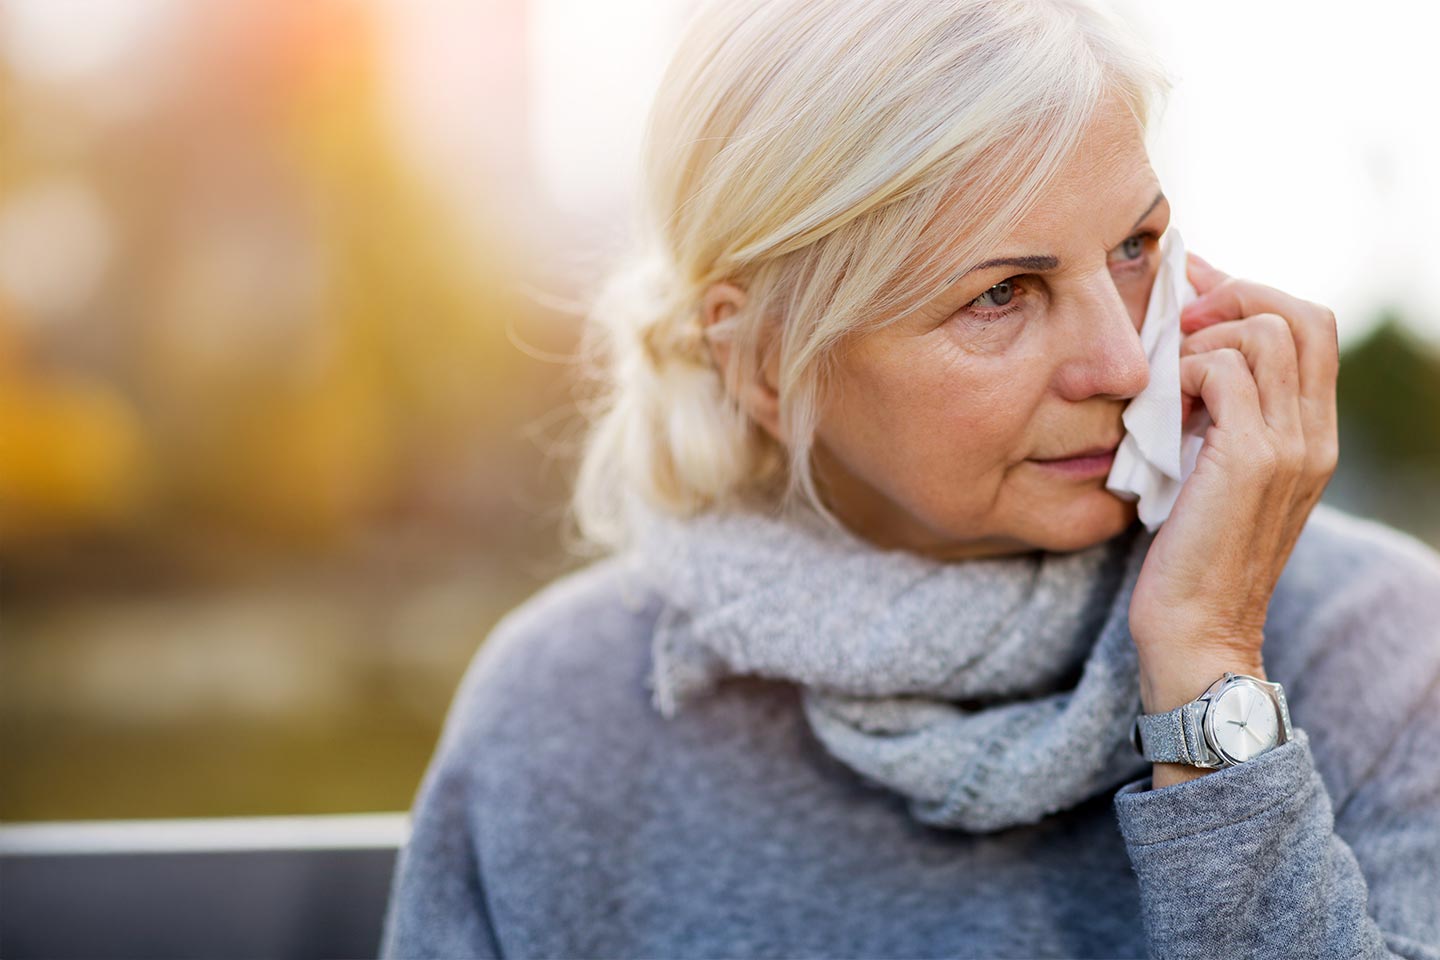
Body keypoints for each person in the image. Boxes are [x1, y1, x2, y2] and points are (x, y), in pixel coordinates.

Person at [379, 0, 1440, 956]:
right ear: (762, 364)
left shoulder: (1376, 645)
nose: (1121, 361)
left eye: (1133, 245)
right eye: (1001, 294)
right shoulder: (562, 720)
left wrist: (1211, 675)